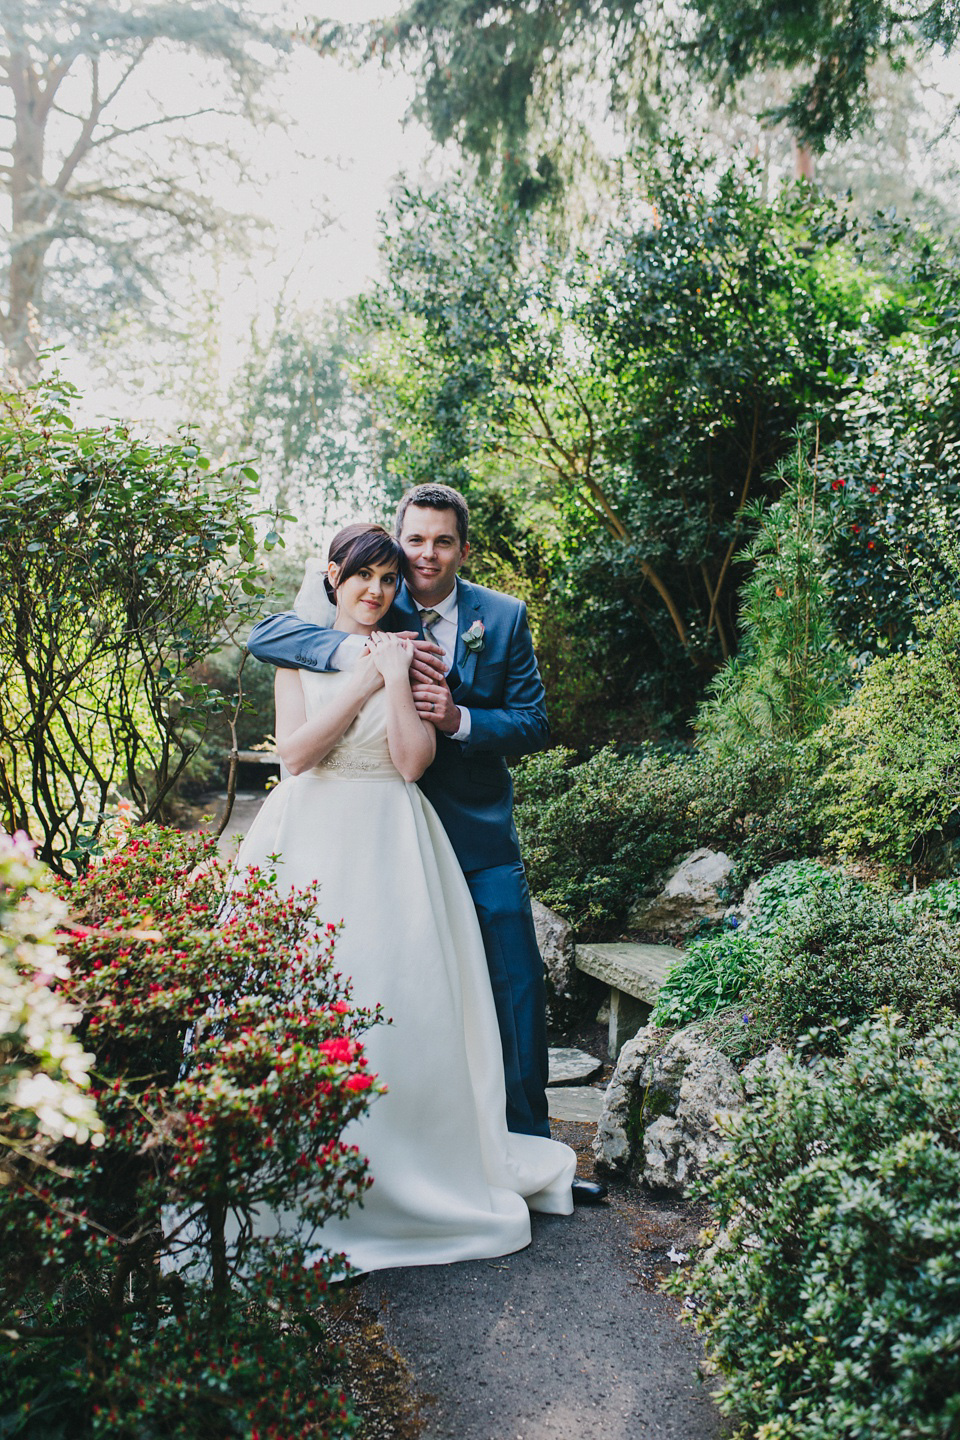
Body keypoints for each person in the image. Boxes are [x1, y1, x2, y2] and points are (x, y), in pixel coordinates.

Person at [247, 484, 607, 1205]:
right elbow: (268, 636)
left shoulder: (501, 617)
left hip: (473, 834)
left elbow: (534, 722)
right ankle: (400, 1155)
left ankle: (523, 1150)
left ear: (462, 550)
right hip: (380, 839)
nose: (423, 556)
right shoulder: (377, 598)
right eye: (415, 540)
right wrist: (365, 652)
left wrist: (460, 718)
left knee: (513, 988)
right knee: (401, 998)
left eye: (441, 542)